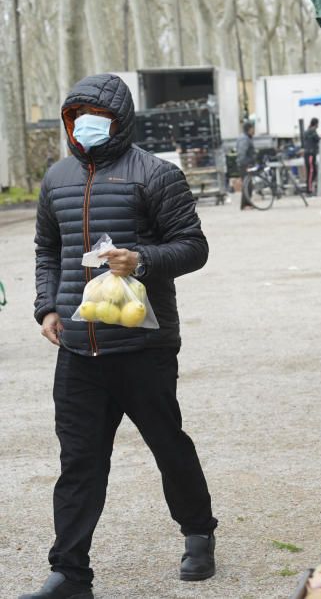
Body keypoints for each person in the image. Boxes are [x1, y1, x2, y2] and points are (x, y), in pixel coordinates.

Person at [22, 74, 216, 599]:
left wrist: (143, 259)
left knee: (167, 443)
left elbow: (194, 247)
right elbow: (46, 249)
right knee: (79, 461)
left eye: (95, 113)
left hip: (143, 347)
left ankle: (198, 532)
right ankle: (69, 573)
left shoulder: (156, 175)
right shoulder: (57, 177)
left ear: (120, 119)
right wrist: (46, 307)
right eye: (76, 113)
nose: (84, 122)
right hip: (79, 348)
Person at [234, 120, 256, 209]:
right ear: (248, 129)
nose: (253, 130)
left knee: (248, 184)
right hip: (245, 164)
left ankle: (248, 203)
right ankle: (245, 205)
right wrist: (246, 164)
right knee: (247, 185)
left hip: (245, 164)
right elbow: (242, 153)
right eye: (252, 128)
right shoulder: (244, 138)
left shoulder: (246, 137)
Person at [302, 117, 320, 195]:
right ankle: (309, 190)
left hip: (308, 154)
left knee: (312, 171)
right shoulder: (312, 131)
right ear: (316, 124)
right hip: (310, 154)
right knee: (311, 172)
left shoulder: (307, 131)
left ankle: (310, 188)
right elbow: (317, 139)